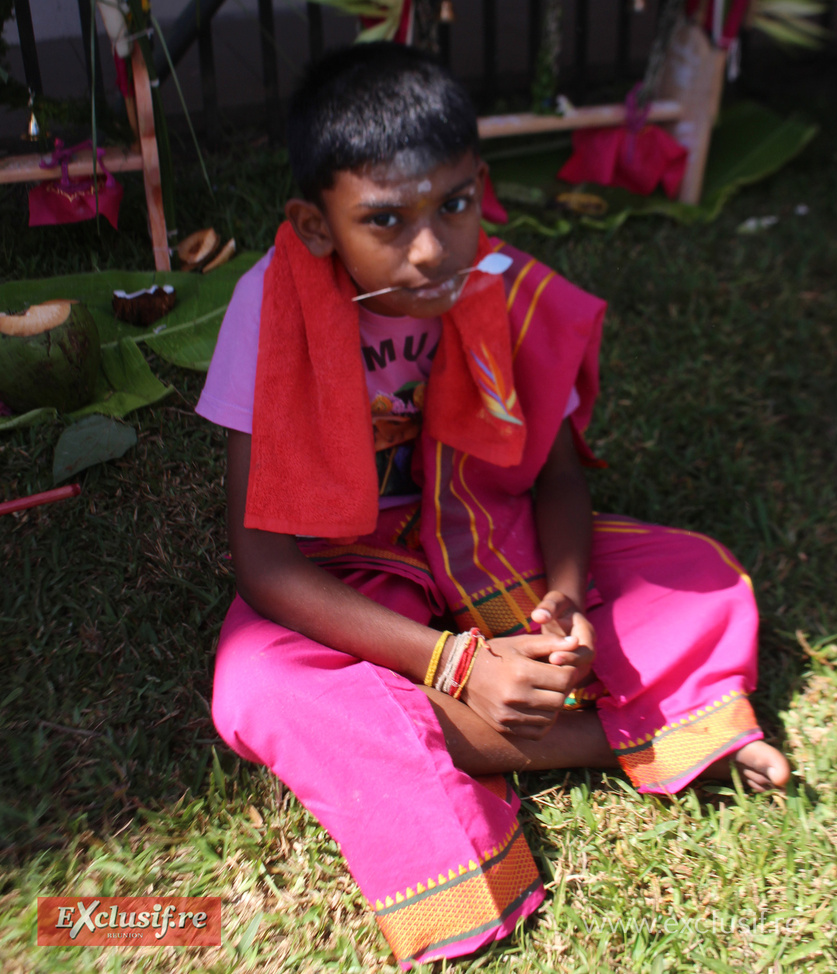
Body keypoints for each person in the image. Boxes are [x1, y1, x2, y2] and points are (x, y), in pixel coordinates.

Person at [196, 41, 789, 968]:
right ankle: (617, 735)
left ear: (479, 184)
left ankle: (514, 709)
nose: (432, 249)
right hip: (351, 573)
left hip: (489, 542)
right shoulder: (268, 306)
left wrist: (564, 602)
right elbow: (267, 566)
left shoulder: (498, 287)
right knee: (259, 681)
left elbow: (554, 475)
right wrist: (456, 663)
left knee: (700, 579)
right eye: (386, 221)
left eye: (455, 205)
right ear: (317, 227)